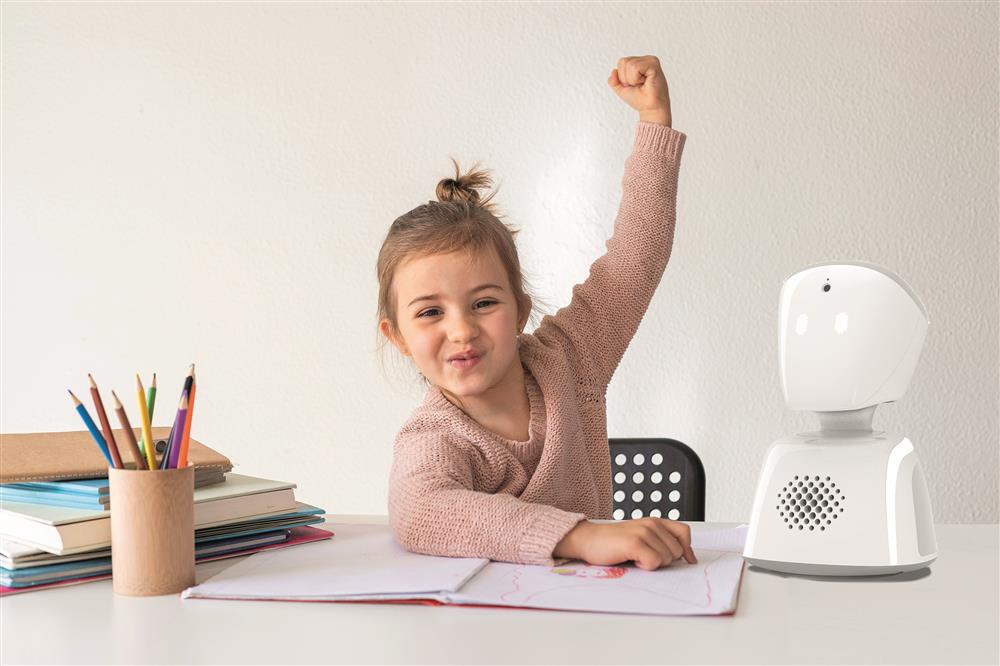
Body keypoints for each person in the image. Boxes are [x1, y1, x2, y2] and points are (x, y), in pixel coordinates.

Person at [376, 55, 696, 570]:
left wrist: (654, 122)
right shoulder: (434, 437)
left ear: (520, 309)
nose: (461, 330)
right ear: (398, 337)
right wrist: (580, 535)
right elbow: (419, 511)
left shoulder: (570, 360)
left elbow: (637, 256)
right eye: (430, 313)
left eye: (484, 303)